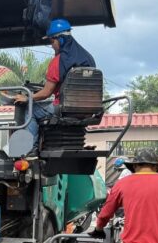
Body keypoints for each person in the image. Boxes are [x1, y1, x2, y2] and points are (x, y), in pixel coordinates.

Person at [10, 18, 95, 153]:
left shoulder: (58, 61)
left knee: (30, 109)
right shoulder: (88, 58)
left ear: (60, 40)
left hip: (64, 108)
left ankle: (31, 151)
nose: (51, 45)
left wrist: (27, 98)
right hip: (87, 110)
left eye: (51, 41)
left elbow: (46, 93)